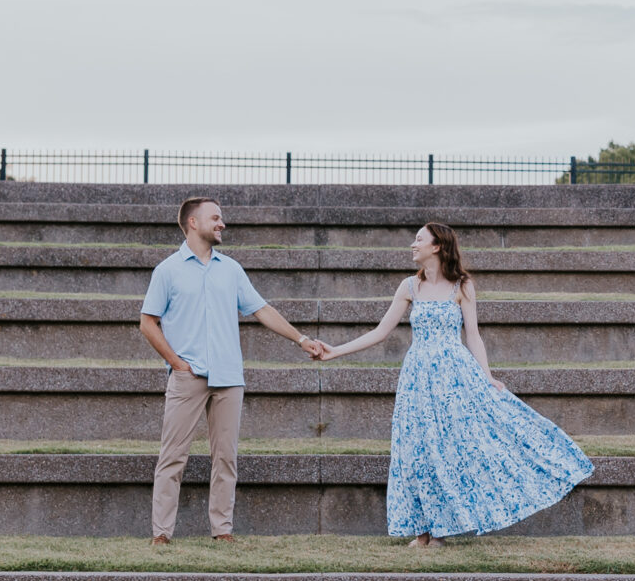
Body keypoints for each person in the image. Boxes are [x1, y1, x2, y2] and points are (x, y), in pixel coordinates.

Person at [312, 220, 591, 545]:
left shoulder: (462, 286)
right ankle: (424, 532)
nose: (412, 245)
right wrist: (334, 352)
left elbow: (473, 336)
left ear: (437, 247)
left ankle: (442, 529)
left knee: (452, 448)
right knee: (416, 450)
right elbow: (380, 332)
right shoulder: (409, 287)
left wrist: (487, 377)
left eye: (419, 240)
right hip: (418, 378)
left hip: (455, 377)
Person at [138, 195, 328, 544]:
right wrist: (178, 364)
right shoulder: (167, 270)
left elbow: (262, 310)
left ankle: (222, 530)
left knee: (225, 458)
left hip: (229, 378)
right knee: (172, 458)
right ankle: (161, 534)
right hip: (188, 377)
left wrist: (301, 339)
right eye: (215, 217)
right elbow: (147, 323)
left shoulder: (231, 269)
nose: (222, 223)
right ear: (193, 223)